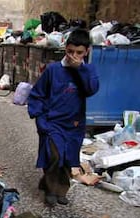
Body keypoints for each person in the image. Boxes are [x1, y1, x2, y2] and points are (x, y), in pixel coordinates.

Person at [27, 28, 99, 207]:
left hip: (74, 124)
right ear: (65, 48)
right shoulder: (53, 70)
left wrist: (79, 70)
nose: (73, 56)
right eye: (70, 51)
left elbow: (91, 89)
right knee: (54, 155)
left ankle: (60, 190)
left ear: (86, 52)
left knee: (69, 158)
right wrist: (40, 119)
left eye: (79, 53)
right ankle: (51, 190)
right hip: (53, 123)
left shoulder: (88, 70)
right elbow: (38, 94)